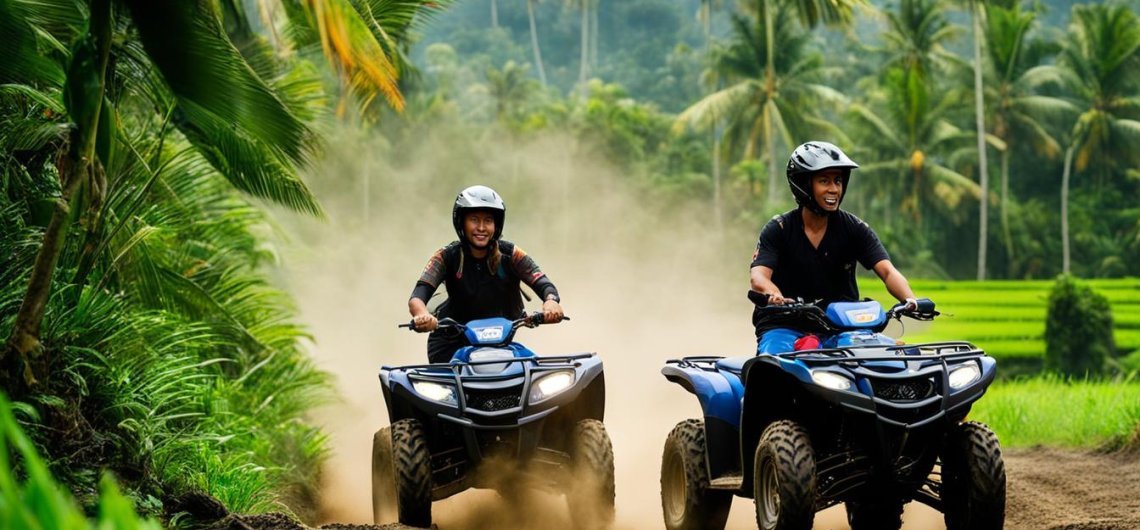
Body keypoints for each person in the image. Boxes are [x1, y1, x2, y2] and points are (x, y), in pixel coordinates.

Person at [749, 141, 918, 354]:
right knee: (772, 367)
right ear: (803, 184)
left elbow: (887, 271)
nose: (834, 189)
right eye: (824, 181)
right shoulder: (779, 229)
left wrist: (910, 300)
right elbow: (759, 277)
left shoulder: (854, 228)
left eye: (838, 181)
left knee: (893, 359)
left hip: (843, 328)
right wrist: (774, 295)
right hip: (785, 325)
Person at [409, 185, 564, 362]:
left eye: (488, 220)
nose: (481, 227)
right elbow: (418, 296)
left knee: (535, 374)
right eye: (474, 219)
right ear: (462, 222)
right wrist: (422, 315)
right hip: (449, 345)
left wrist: (551, 301)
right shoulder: (446, 256)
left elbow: (542, 282)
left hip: (499, 345)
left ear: (496, 225)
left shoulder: (511, 254)